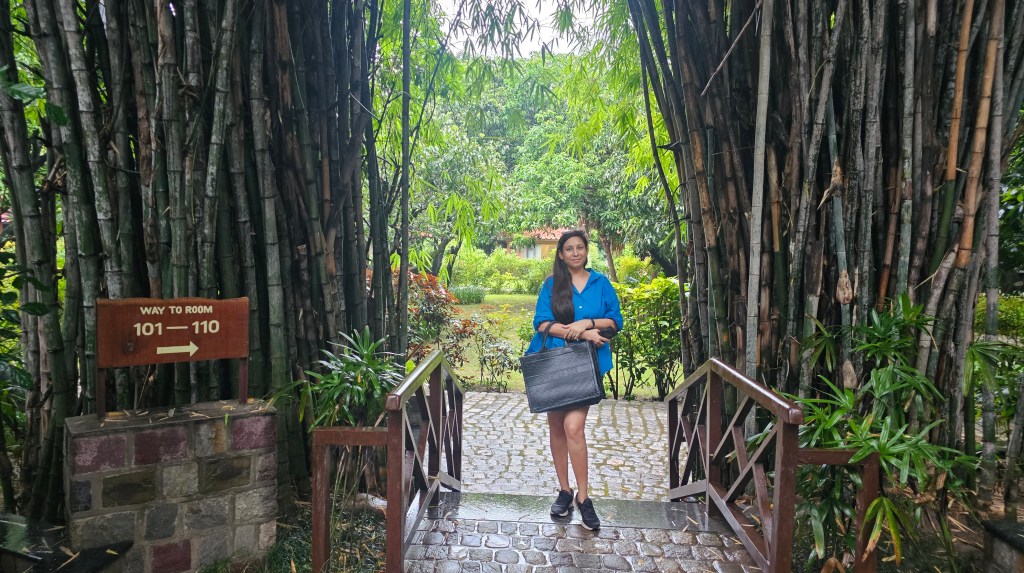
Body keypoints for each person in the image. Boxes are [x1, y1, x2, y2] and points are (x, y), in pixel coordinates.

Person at [525, 229, 622, 531]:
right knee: (556, 426)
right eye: (569, 248)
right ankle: (564, 491)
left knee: (573, 427)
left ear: (586, 251)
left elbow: (615, 321)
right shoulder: (552, 285)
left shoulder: (600, 283)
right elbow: (542, 323)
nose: (576, 253)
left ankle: (584, 497)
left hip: (586, 366)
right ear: (561, 254)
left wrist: (587, 324)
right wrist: (579, 333)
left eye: (580, 247)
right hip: (555, 363)